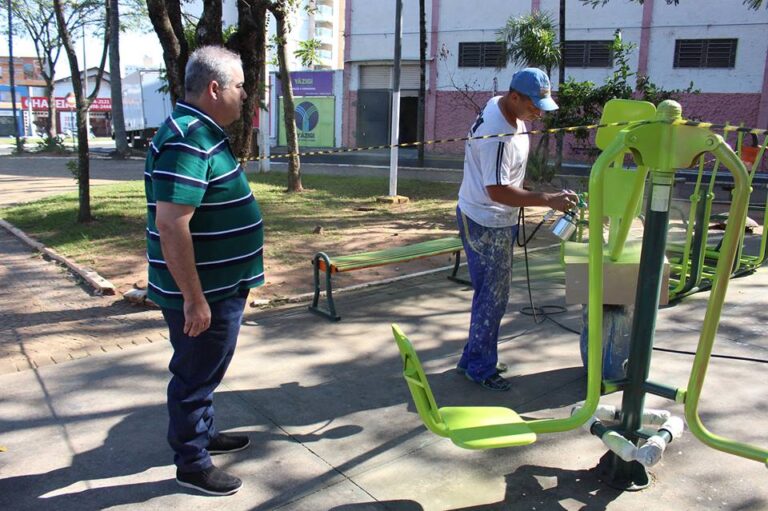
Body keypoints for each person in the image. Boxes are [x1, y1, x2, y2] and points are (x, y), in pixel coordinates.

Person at [144, 46, 263, 496]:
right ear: (215, 89)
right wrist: (194, 299)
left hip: (220, 285)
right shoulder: (187, 138)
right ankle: (192, 463)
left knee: (206, 370)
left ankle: (204, 433)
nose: (244, 94)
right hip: (204, 293)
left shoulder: (201, 132)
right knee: (194, 374)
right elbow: (172, 223)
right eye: (239, 86)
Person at [456, 68, 577, 391]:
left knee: (488, 294)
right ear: (514, 96)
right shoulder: (499, 136)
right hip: (487, 220)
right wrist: (548, 199)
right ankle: (481, 367)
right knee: (494, 298)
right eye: (534, 106)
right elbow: (497, 190)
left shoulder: (500, 105)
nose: (537, 113)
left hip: (488, 214)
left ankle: (473, 356)